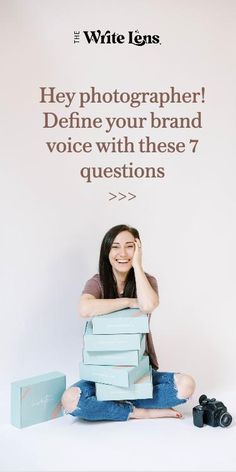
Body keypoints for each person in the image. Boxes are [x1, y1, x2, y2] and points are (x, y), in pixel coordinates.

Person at [61, 224, 195, 421]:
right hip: (103, 374)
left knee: (186, 385)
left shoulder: (147, 280)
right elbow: (85, 308)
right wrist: (128, 302)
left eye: (129, 246)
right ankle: (138, 411)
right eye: (115, 246)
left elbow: (148, 305)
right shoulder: (97, 282)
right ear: (107, 251)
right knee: (70, 400)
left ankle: (114, 405)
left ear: (138, 249)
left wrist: (138, 266)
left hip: (138, 371)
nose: (122, 253)